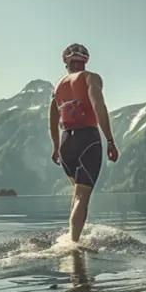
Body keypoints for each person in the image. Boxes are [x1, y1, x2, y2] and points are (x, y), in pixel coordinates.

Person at [48, 43, 118, 244]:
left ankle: (72, 236)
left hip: (65, 142)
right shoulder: (90, 78)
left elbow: (52, 122)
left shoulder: (57, 87)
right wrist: (110, 140)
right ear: (85, 60)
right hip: (87, 138)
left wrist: (55, 147)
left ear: (66, 62)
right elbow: (98, 105)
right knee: (82, 196)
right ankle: (74, 246)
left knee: (77, 192)